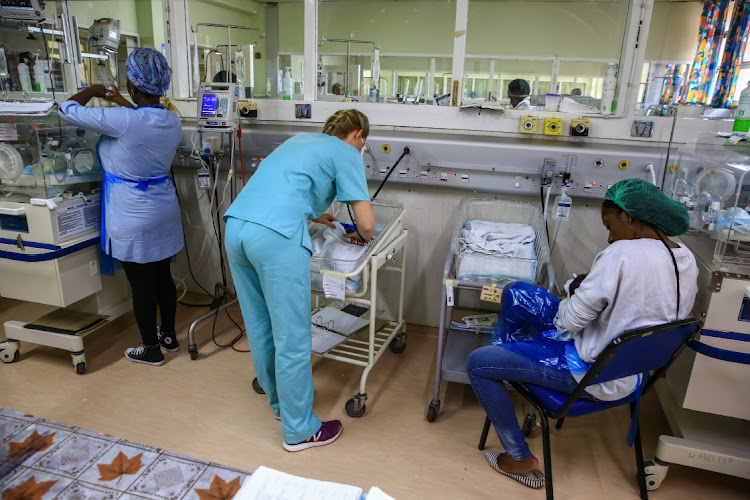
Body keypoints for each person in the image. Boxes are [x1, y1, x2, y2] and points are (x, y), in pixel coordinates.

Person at [466, 178, 699, 489]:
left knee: (479, 363)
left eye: (610, 225)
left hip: (590, 373)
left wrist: (573, 293)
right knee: (517, 293)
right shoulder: (684, 257)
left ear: (629, 216)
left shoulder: (620, 255)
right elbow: (643, 300)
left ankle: (519, 456)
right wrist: (591, 288)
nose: (609, 236)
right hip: (633, 371)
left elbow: (571, 321)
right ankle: (512, 370)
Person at [223, 109, 375, 452]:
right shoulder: (347, 151)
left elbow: (286, 187)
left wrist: (316, 213)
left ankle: (281, 405)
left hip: (237, 227)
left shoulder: (299, 141)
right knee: (292, 336)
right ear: (359, 136)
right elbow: (365, 224)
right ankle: (300, 430)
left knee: (260, 325)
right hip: (275, 237)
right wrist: (367, 236)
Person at [58, 48, 183, 367]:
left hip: (132, 213)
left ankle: (150, 349)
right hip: (163, 209)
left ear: (132, 84)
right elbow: (141, 120)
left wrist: (96, 91)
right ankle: (168, 336)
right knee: (163, 276)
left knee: (141, 284)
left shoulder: (124, 120)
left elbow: (66, 108)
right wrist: (120, 101)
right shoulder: (170, 120)